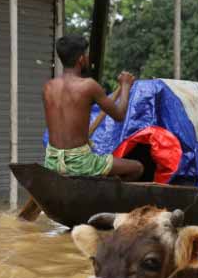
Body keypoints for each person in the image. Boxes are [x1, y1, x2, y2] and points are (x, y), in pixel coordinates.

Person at [42, 35, 143, 180]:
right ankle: (110, 202)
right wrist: (126, 85)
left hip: (52, 162)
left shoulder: (48, 87)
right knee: (137, 167)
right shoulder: (88, 86)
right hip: (80, 163)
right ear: (81, 59)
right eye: (86, 54)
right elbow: (120, 115)